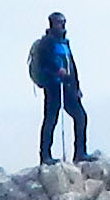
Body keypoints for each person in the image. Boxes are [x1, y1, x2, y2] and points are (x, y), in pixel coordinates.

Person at [28, 11, 89, 165]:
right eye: (59, 22)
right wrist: (56, 71)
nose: (62, 25)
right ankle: (45, 156)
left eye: (63, 22)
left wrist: (77, 86)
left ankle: (80, 153)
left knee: (80, 116)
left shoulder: (64, 43)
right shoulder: (46, 43)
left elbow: (72, 66)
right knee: (51, 120)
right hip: (53, 86)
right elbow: (44, 64)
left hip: (68, 86)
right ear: (52, 23)